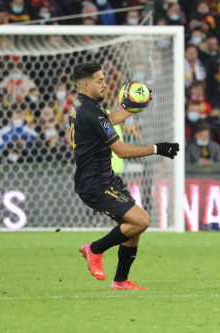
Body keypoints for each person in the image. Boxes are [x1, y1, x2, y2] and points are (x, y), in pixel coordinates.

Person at [70, 62, 179, 290]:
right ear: (85, 84)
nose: (105, 84)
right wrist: (158, 148)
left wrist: (132, 107)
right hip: (94, 183)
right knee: (141, 221)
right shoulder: (91, 112)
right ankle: (94, 249)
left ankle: (120, 281)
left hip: (104, 178)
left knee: (133, 228)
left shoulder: (83, 106)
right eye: (100, 80)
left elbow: (105, 123)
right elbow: (121, 150)